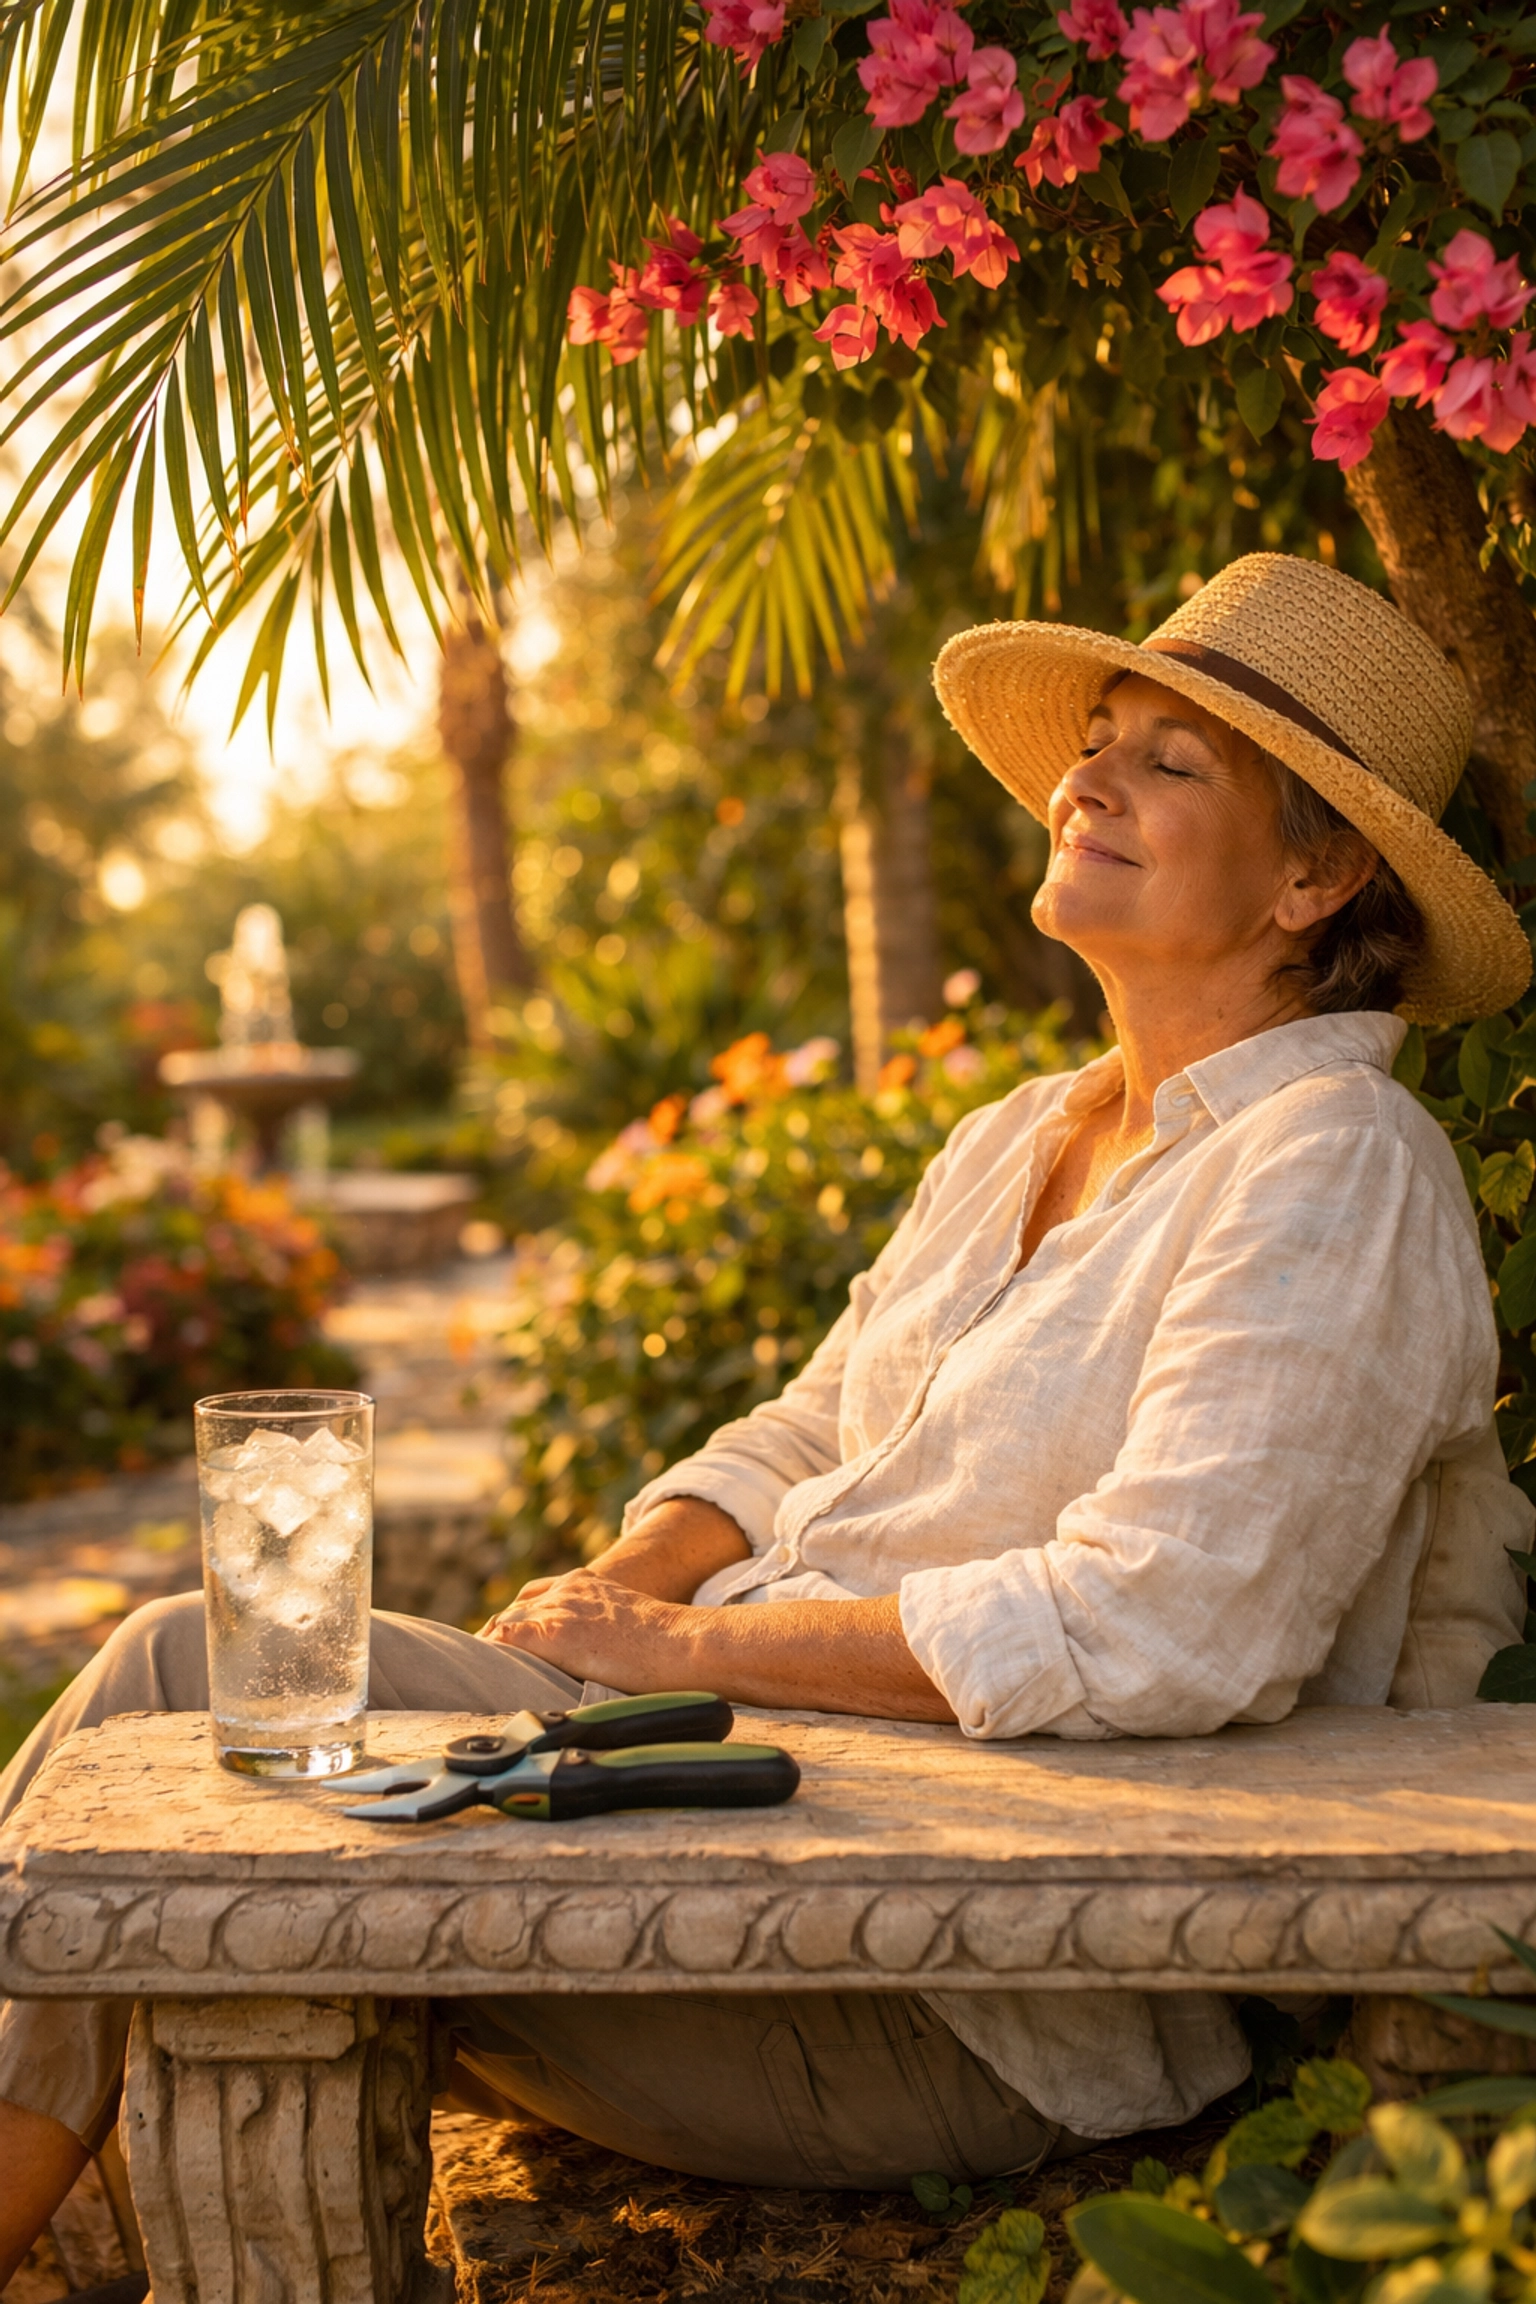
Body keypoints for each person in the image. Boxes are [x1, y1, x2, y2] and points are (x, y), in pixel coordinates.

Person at [3, 551, 1532, 2279]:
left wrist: (686, 1649)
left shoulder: (1335, 1164)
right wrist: (628, 1585)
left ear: (1315, 878)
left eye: (1171, 763)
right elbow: (812, 1430)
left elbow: (1173, 1622)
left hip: (951, 1967)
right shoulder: (1023, 1134)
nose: (1083, 779)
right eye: (1096, 738)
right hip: (713, 1786)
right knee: (191, 1689)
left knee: (184, 1688)